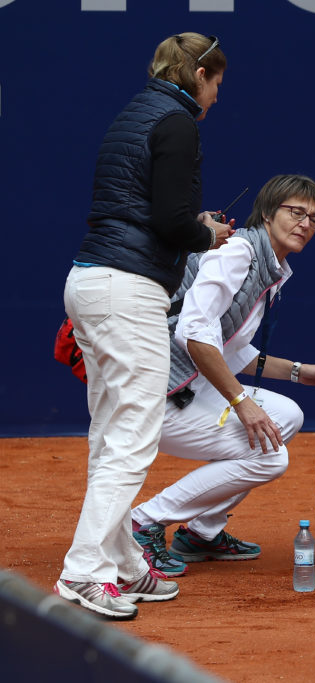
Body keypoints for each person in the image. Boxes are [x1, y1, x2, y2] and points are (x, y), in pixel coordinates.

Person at [56, 33, 233, 620]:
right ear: (200, 74)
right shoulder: (180, 123)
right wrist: (207, 233)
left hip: (92, 281)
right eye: (216, 84)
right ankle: (84, 572)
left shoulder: (135, 111)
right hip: (127, 290)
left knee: (111, 430)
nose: (216, 98)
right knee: (132, 435)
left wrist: (188, 225)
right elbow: (169, 219)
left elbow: (141, 206)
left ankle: (124, 561)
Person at [129, 174, 315, 578]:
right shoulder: (237, 253)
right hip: (155, 392)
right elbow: (193, 334)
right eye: (295, 212)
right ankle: (142, 523)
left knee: (287, 415)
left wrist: (301, 373)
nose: (305, 223)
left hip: (182, 385)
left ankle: (201, 533)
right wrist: (241, 403)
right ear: (266, 213)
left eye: (314, 219)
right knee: (270, 456)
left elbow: (231, 351)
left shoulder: (269, 265)